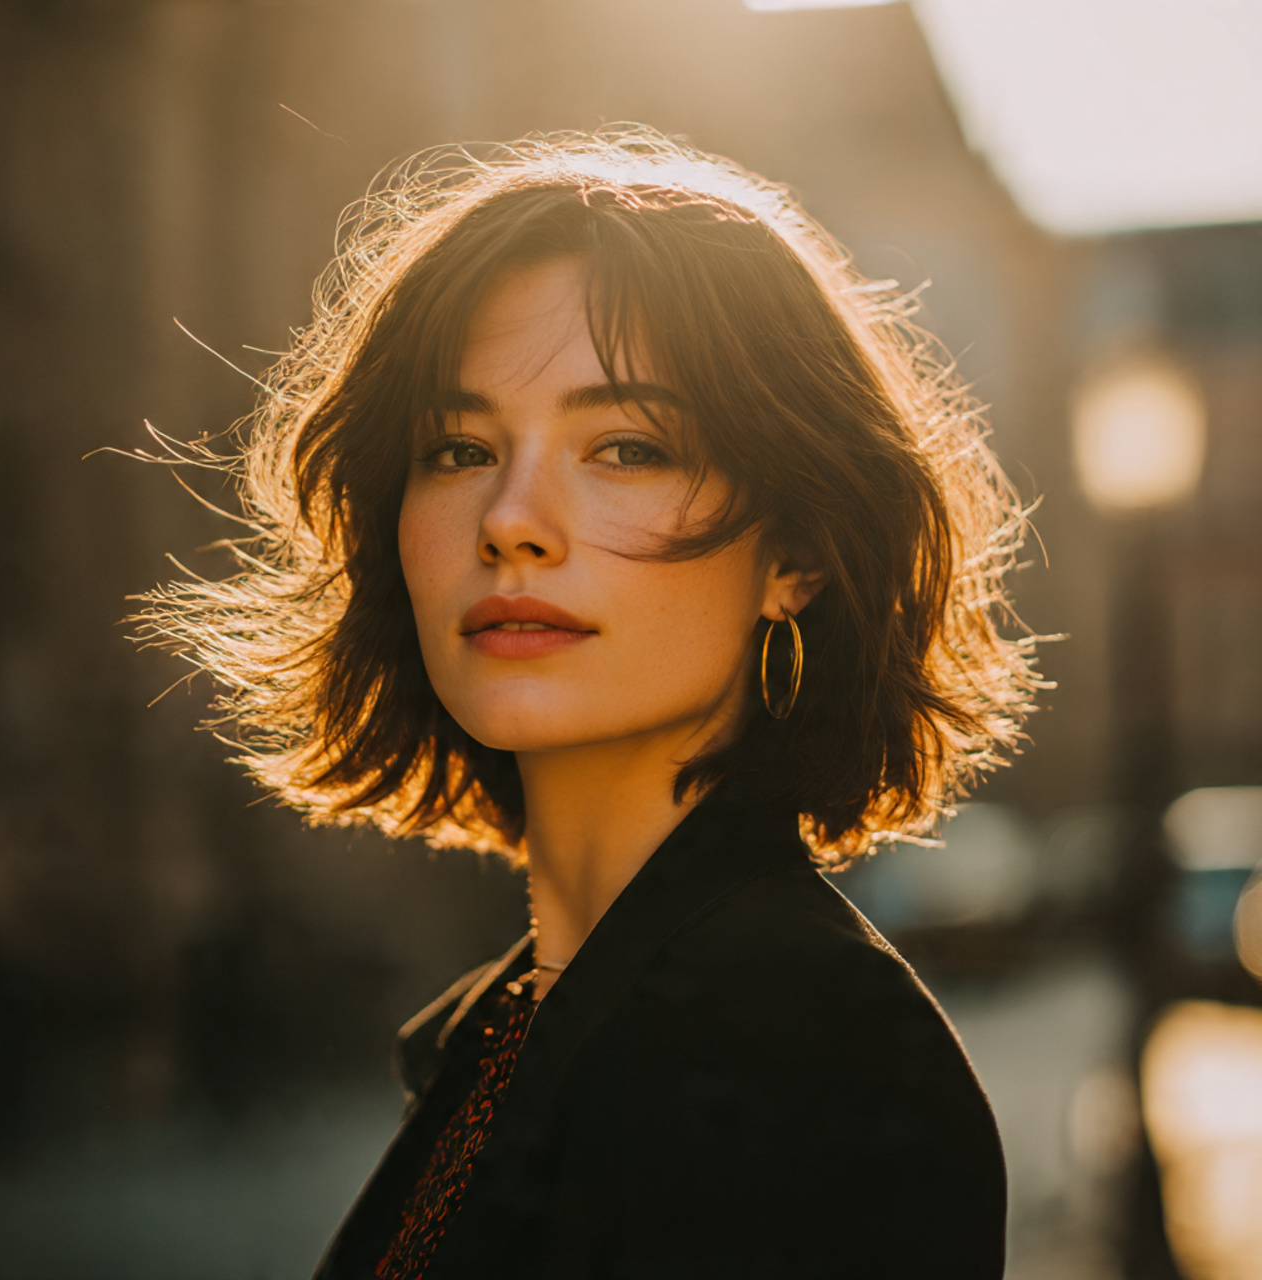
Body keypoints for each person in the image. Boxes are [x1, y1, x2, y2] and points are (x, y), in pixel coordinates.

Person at [137, 127, 1042, 1278]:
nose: (511, 518)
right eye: (457, 447)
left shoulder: (811, 1042)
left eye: (624, 445)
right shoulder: (515, 1018)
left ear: (796, 552)